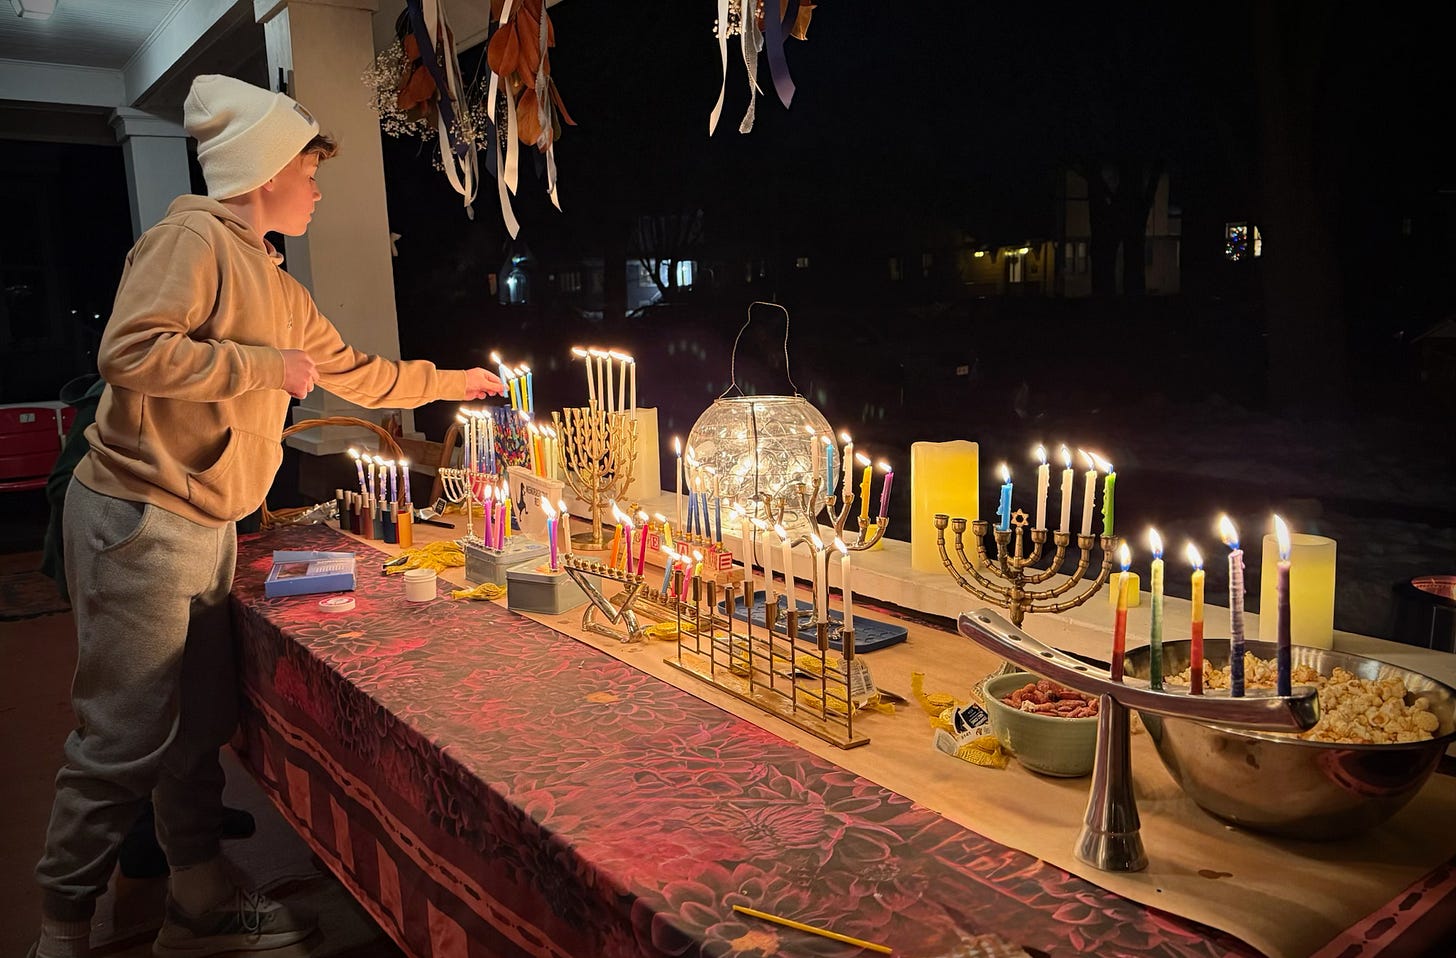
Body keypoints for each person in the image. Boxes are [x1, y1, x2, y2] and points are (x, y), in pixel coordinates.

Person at [30, 73, 502, 958]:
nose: (317, 191)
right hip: (141, 514)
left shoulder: (274, 280)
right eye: (309, 174)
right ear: (265, 172)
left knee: (197, 724)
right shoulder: (190, 242)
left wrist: (452, 381)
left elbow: (355, 371)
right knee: (124, 736)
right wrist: (262, 368)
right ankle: (61, 930)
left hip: (209, 523)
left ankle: (197, 903)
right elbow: (130, 352)